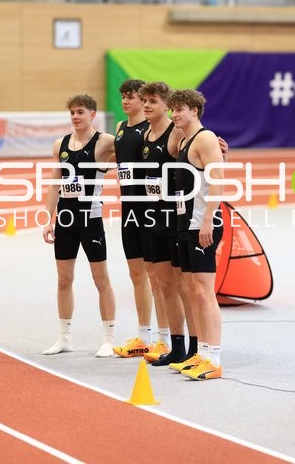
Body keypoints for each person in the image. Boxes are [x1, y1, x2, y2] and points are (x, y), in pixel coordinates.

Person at [42, 94, 118, 358]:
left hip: (91, 218)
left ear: (93, 115)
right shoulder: (60, 145)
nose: (75, 117)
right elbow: (54, 184)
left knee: (101, 279)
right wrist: (48, 219)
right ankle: (64, 337)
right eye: (72, 112)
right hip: (66, 218)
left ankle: (108, 339)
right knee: (64, 279)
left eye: (80, 112)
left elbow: (133, 149)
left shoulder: (104, 142)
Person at [137, 81, 200, 367]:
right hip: (152, 218)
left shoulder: (176, 134)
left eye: (152, 101)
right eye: (144, 101)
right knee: (164, 285)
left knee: (184, 285)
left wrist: (223, 153)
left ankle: (195, 346)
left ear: (165, 105)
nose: (146, 106)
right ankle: (176, 346)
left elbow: (199, 151)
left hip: (174, 217)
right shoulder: (145, 134)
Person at [111, 79, 170, 362]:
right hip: (128, 209)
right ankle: (144, 336)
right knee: (136, 275)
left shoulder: (151, 129)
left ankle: (165, 338)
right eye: (123, 96)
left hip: (150, 209)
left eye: (131, 97)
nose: (126, 102)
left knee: (157, 277)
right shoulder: (121, 129)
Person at [168, 89, 225, 381]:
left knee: (204, 292)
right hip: (186, 223)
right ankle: (201, 353)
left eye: (179, 110)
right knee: (192, 291)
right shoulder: (184, 140)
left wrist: (208, 221)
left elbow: (218, 180)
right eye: (172, 110)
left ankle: (213, 358)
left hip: (202, 224)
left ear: (194, 110)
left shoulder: (204, 138)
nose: (174, 115)